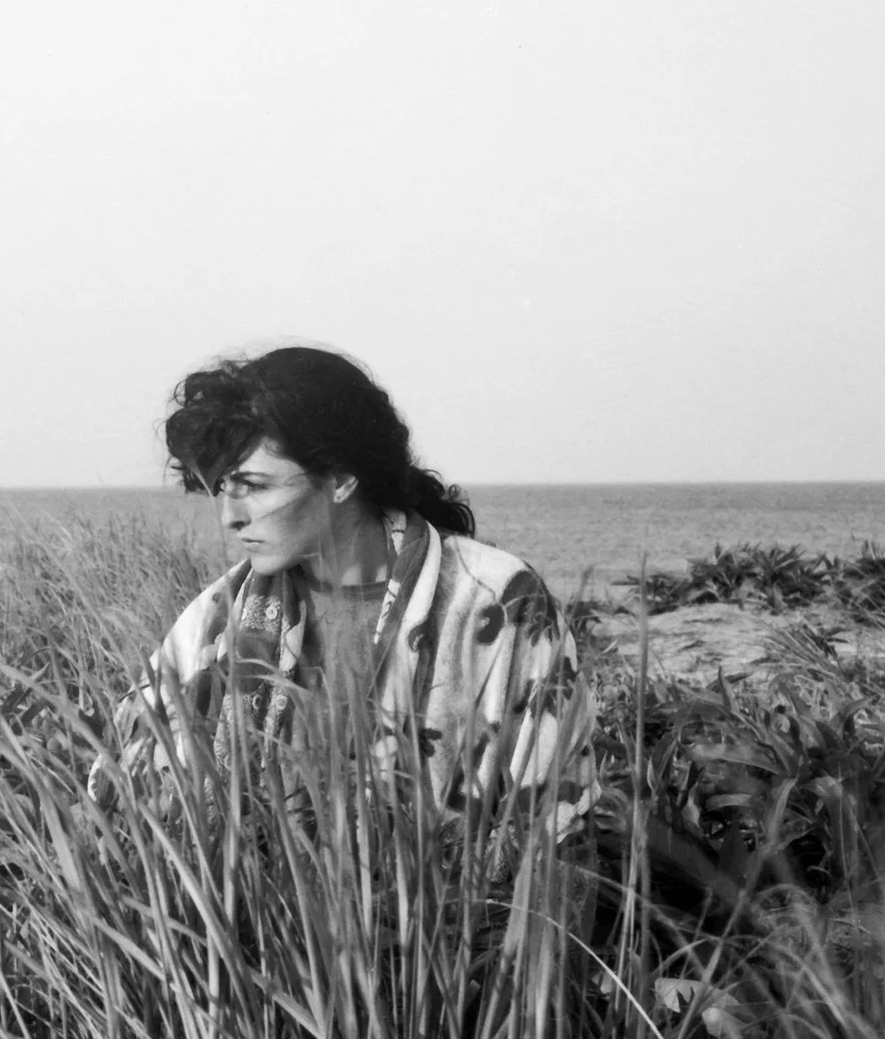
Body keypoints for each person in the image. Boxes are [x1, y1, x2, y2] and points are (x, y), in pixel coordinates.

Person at [91, 346, 589, 852]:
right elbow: (125, 772)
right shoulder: (224, 610)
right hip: (265, 920)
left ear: (342, 479)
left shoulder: (496, 600)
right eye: (222, 488)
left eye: (254, 487)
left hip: (452, 920)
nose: (230, 516)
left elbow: (556, 820)